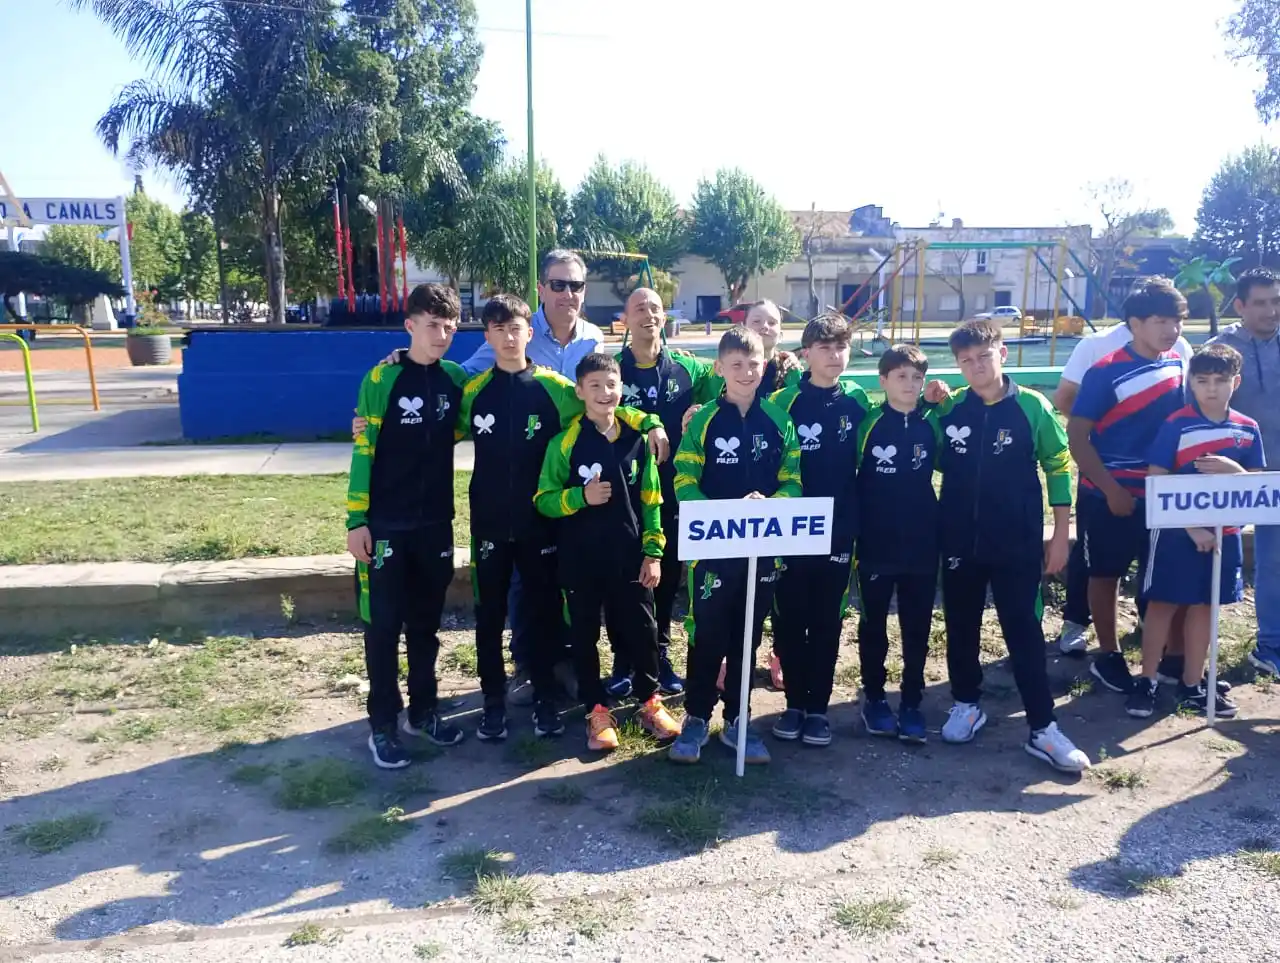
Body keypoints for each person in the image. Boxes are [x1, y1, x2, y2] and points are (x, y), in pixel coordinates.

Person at [458, 295, 665, 742]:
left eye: (516, 329)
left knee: (544, 614)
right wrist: (366, 425)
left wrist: (648, 423)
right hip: (490, 524)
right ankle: (493, 703)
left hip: (543, 529)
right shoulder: (472, 393)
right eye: (498, 330)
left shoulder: (554, 388)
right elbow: (435, 423)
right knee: (490, 616)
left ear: (529, 333)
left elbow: (604, 405)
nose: (509, 337)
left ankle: (546, 702)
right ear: (488, 336)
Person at [927, 319, 1090, 772]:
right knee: (960, 625)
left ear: (1002, 352)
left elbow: (1059, 468)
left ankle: (1043, 727)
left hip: (1017, 542)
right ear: (957, 365)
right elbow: (923, 445)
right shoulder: (951, 408)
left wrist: (1059, 536)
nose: (977, 367)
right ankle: (966, 703)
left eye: (984, 356)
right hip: (959, 538)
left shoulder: (1032, 407)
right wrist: (927, 403)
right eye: (966, 361)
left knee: (1023, 630)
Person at [345, 284, 469, 769]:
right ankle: (382, 725)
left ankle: (424, 712)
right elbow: (363, 448)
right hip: (385, 527)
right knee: (382, 628)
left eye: (450, 326)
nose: (442, 334)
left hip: (436, 524)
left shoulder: (456, 378)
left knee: (426, 627)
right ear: (410, 326)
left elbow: (475, 413)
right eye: (432, 325)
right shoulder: (381, 378)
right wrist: (357, 520)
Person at [533, 353, 683, 751]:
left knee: (645, 629)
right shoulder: (563, 444)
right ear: (579, 391)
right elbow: (544, 499)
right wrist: (580, 497)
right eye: (594, 385)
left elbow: (652, 500)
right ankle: (597, 709)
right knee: (584, 634)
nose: (604, 392)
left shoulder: (637, 438)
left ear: (621, 389)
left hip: (631, 558)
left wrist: (653, 553)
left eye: (611, 384)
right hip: (580, 561)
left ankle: (650, 701)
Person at [668, 327, 802, 765]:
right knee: (706, 634)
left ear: (766, 365)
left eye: (754, 363)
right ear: (720, 368)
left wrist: (772, 505)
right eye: (737, 365)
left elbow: (793, 480)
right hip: (712, 550)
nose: (746, 372)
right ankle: (695, 717)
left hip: (762, 551)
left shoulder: (779, 421)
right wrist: (720, 513)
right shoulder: (704, 419)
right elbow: (684, 478)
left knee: (746, 636)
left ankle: (739, 719)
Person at [1127, 344, 1264, 718]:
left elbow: (1257, 484)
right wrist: (1192, 528)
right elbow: (1157, 479)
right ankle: (1148, 680)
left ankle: (1192, 683)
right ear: (1191, 382)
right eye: (1202, 381)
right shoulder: (1176, 425)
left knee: (1206, 605)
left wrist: (1233, 472)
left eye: (1221, 381)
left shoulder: (1247, 429)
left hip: (1225, 534)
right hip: (1176, 533)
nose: (1212, 389)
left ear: (1235, 382)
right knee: (1163, 604)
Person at [1067, 278, 1188, 697]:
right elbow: (1077, 437)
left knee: (1163, 576)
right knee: (1105, 574)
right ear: (1135, 323)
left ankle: (1172, 659)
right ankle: (1109, 655)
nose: (1170, 330)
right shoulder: (1105, 371)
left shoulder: (1176, 364)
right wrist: (1112, 489)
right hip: (1108, 494)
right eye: (1160, 320)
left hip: (1162, 493)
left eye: (1176, 321)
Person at [611, 287, 721, 697]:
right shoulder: (613, 368)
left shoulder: (689, 369)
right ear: (625, 318)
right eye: (639, 308)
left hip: (673, 493)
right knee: (625, 578)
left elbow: (732, 381)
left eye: (655, 308)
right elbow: (590, 402)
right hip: (623, 493)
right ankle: (623, 660)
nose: (648, 314)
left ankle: (659, 654)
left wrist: (702, 410)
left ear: (665, 316)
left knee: (666, 578)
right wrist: (649, 421)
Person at [767, 313, 868, 747]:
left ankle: (818, 709)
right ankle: (792, 702)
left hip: (838, 530)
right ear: (806, 354)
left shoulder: (859, 400)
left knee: (827, 619)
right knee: (789, 617)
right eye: (824, 348)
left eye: (841, 347)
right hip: (790, 529)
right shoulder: (782, 402)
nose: (834, 355)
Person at [855, 344, 942, 745]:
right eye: (901, 376)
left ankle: (910, 701)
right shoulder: (868, 424)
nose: (910, 384)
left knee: (917, 624)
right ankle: (873, 696)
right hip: (876, 541)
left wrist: (943, 397)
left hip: (923, 541)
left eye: (917, 378)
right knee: (874, 622)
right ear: (884, 380)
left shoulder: (932, 423)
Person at [1207, 267, 1280, 677]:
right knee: (1205, 557)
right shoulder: (1220, 348)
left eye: (1277, 300)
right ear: (1240, 305)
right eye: (1261, 302)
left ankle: (1272, 646)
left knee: (1274, 562)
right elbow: (1196, 405)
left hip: (1278, 475)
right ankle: (1181, 650)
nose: (1271, 310)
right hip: (1227, 476)